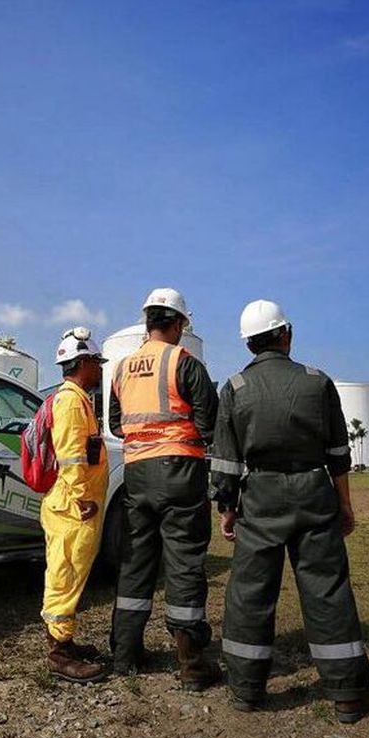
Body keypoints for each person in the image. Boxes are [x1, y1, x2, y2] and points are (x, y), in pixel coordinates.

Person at [210, 299, 369, 723]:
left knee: (250, 590)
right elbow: (338, 453)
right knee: (327, 588)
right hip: (314, 492)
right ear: (286, 334)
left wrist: (228, 510)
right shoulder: (317, 382)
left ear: (248, 343)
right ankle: (347, 693)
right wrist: (344, 504)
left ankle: (246, 690)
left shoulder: (234, 388)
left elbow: (226, 464)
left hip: (260, 497)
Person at [108, 288, 220, 691]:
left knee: (136, 560)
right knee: (184, 561)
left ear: (147, 321)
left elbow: (117, 423)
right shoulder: (184, 362)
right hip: (181, 471)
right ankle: (191, 664)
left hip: (137, 473)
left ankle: (125, 655)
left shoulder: (122, 368)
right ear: (179, 323)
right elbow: (210, 423)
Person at [41, 327, 110, 684]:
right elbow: (70, 457)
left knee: (69, 574)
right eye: (97, 362)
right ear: (83, 363)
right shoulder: (70, 402)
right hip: (72, 507)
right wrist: (82, 498)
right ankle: (59, 654)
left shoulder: (77, 399)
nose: (100, 368)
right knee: (64, 576)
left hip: (72, 505)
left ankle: (64, 641)